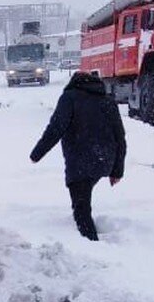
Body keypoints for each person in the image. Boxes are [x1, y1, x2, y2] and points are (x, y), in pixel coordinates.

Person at [29, 72, 126, 241]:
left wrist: (36, 154)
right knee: (83, 201)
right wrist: (117, 170)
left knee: (81, 209)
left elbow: (56, 128)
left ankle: (91, 245)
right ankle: (90, 240)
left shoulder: (70, 98)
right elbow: (120, 137)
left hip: (81, 161)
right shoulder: (107, 100)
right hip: (104, 159)